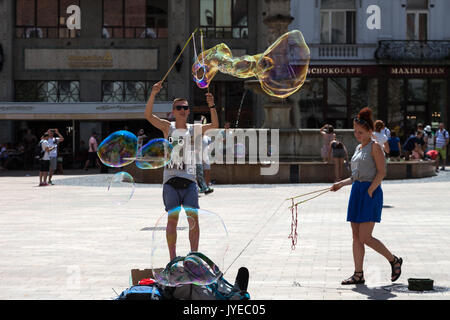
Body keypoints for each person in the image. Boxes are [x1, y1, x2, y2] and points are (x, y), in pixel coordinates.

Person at [144, 81, 219, 261]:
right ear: (173, 110)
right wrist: (153, 93)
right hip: (170, 182)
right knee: (172, 221)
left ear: (188, 110)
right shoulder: (167, 127)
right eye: (178, 107)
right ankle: (172, 258)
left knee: (193, 220)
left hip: (190, 182)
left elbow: (215, 124)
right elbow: (147, 115)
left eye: (185, 107)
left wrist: (212, 105)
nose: (182, 110)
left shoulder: (194, 129)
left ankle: (193, 256)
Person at [330, 107, 402, 285]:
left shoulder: (375, 147)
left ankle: (394, 260)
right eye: (355, 131)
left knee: (365, 237)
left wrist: (370, 190)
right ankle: (358, 274)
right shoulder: (358, 148)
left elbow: (382, 172)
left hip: (370, 192)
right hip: (357, 192)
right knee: (356, 237)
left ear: (370, 131)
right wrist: (340, 184)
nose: (357, 134)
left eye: (360, 132)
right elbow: (355, 176)